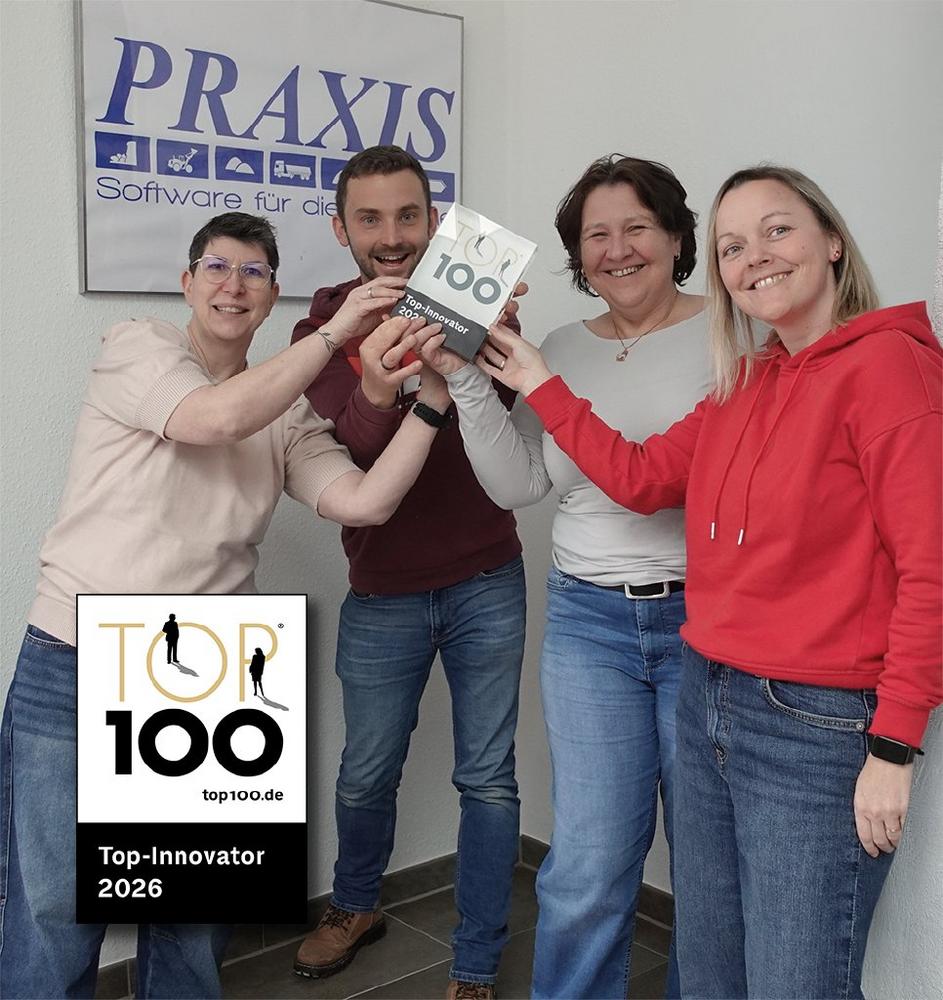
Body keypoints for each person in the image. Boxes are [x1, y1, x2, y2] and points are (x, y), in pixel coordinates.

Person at [456, 166, 942, 999]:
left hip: (815, 720)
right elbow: (641, 477)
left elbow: (928, 568)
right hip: (710, 689)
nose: (755, 256)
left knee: (793, 980)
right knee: (713, 967)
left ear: (831, 242)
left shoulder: (888, 367)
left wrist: (894, 746)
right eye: (733, 247)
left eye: (776, 230)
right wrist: (531, 378)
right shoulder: (747, 379)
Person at [0, 211, 448, 1000]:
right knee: (54, 913)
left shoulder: (286, 413)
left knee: (194, 922)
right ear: (186, 283)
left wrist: (436, 396)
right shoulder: (138, 347)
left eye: (253, 273)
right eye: (216, 267)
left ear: (272, 295)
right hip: (78, 657)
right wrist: (335, 332)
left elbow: (365, 500)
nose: (233, 285)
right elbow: (213, 418)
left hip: (207, 674)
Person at [419, 155, 711, 998]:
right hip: (588, 625)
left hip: (707, 625)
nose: (616, 250)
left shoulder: (734, 336)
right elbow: (518, 485)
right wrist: (467, 379)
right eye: (595, 236)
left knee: (707, 864)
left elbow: (665, 480)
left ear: (676, 236)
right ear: (576, 256)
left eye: (636, 228)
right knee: (586, 864)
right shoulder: (558, 348)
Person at [290, 146, 526, 1000]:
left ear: (433, 220)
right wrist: (379, 382)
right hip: (382, 590)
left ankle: (475, 960)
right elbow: (351, 458)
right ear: (340, 228)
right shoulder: (319, 330)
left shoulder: (473, 292)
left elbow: (501, 419)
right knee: (366, 771)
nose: (391, 236)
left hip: (487, 578)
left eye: (407, 215)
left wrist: (491, 340)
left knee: (487, 778)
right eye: (370, 218)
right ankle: (355, 906)